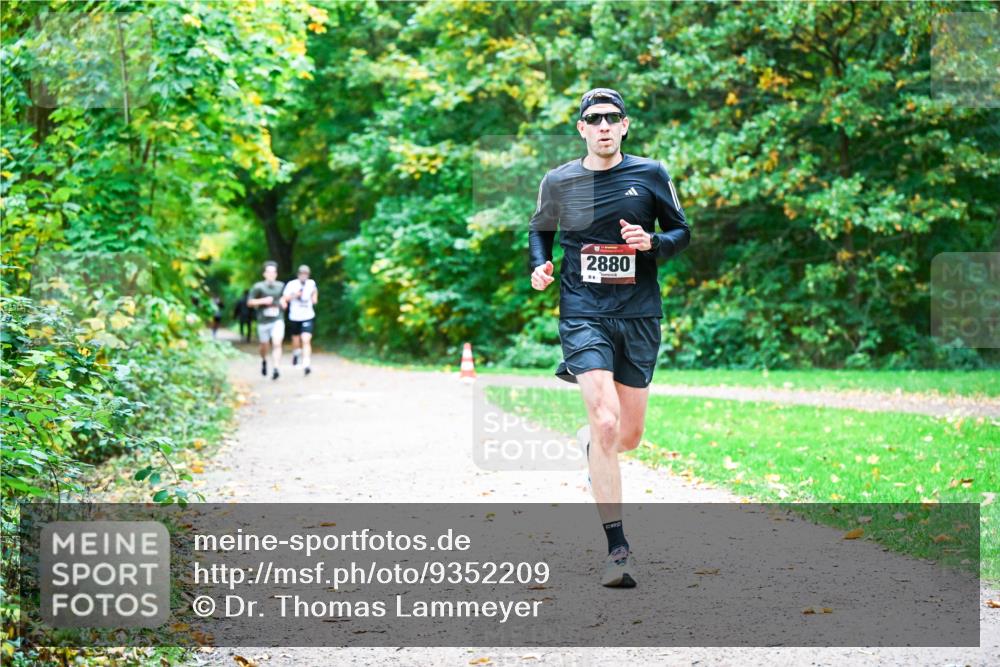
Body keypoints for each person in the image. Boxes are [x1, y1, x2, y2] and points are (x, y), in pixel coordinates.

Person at [528, 88, 691, 588]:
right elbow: (539, 230)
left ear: (625, 126)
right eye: (592, 118)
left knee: (627, 437)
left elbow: (681, 232)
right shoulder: (559, 180)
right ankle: (617, 550)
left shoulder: (651, 174)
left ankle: (595, 446)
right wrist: (540, 265)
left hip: (639, 313)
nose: (602, 126)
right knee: (604, 420)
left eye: (611, 118)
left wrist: (652, 243)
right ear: (581, 128)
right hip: (582, 312)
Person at [247, 261, 286, 380]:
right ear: (264, 274)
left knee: (277, 343)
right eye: (269, 272)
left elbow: (285, 297)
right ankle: (264, 360)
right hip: (263, 321)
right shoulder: (258, 287)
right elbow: (249, 302)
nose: (271, 274)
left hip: (277, 319)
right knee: (264, 345)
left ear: (276, 274)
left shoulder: (281, 286)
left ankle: (276, 368)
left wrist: (284, 302)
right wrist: (263, 301)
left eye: (273, 272)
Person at [282, 264, 318, 375]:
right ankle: (296, 353)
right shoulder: (291, 284)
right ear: (298, 274)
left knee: (306, 339)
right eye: (302, 274)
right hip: (295, 316)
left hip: (307, 316)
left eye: (306, 274)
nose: (304, 276)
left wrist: (314, 298)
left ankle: (306, 363)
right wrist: (295, 295)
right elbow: (285, 298)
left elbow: (315, 291)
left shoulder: (311, 283)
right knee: (296, 339)